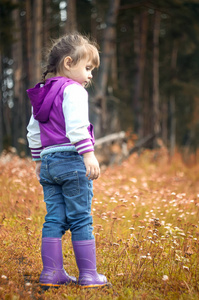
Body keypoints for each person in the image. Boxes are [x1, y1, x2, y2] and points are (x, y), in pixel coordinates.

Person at [27, 33, 110, 289]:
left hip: (49, 163)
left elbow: (32, 130)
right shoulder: (73, 90)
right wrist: (88, 154)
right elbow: (76, 126)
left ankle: (52, 273)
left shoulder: (42, 92)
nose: (90, 75)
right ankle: (88, 275)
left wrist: (39, 161)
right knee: (81, 219)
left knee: (54, 218)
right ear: (68, 62)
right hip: (71, 160)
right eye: (87, 68)